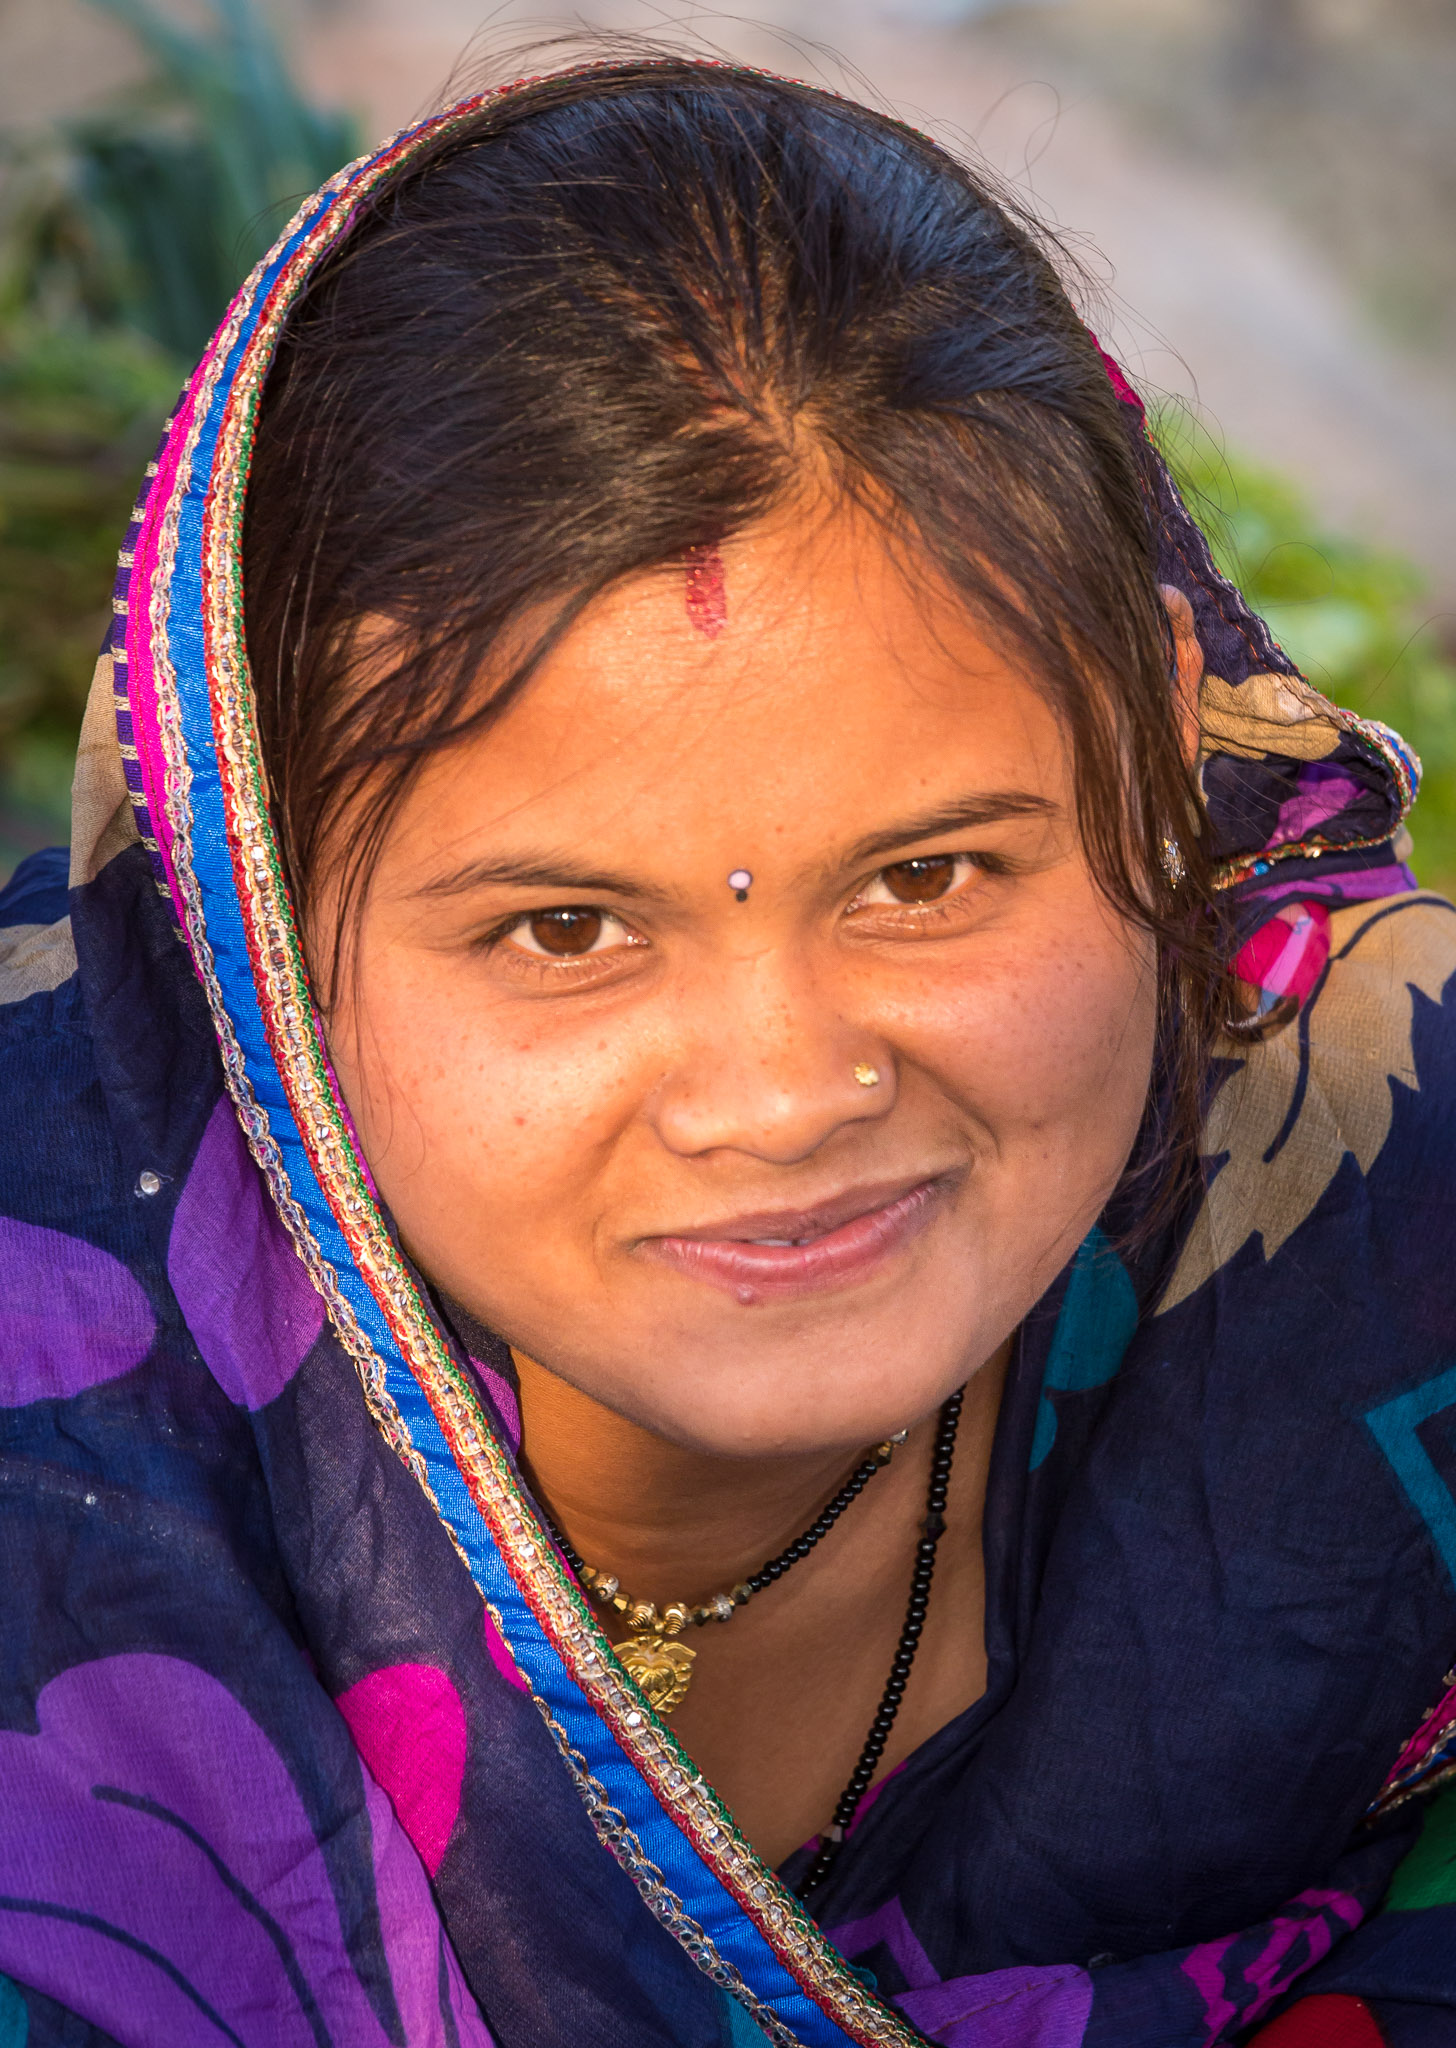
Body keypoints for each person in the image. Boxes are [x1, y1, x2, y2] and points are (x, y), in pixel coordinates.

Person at [2, 54, 1455, 2048]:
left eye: (930, 877)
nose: (783, 1091)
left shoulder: (1380, 1217)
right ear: (246, 937)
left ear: (1162, 794)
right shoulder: (52, 1502)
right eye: (565, 929)